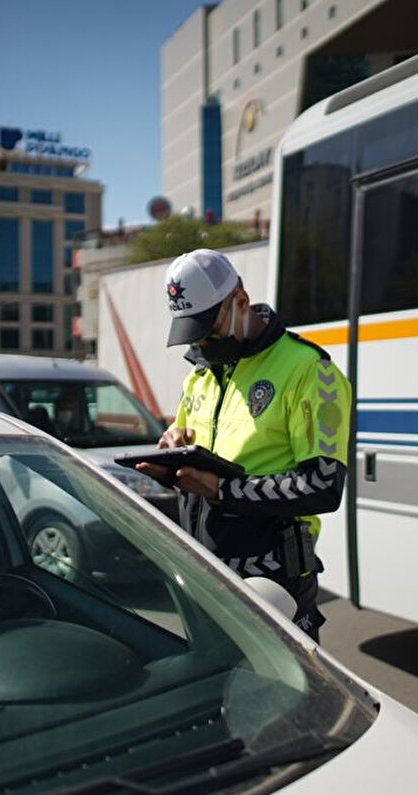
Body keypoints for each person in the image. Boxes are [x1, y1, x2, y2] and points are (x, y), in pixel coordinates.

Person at [136, 248, 352, 641]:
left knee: (287, 700)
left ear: (241, 301)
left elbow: (324, 487)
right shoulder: (200, 377)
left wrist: (222, 490)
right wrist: (170, 451)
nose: (200, 342)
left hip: (273, 584)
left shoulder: (310, 370)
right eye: (191, 330)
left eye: (207, 327)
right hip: (206, 575)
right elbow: (190, 449)